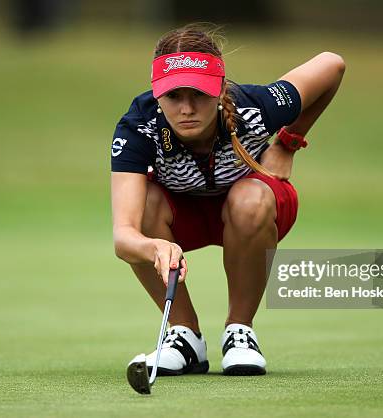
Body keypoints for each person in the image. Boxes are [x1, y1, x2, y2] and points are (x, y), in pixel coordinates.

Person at [111, 24, 345, 376]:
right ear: (157, 94)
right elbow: (124, 235)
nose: (187, 108)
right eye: (174, 96)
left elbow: (332, 64)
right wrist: (153, 248)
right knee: (146, 203)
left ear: (220, 88)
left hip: (252, 210)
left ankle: (240, 331)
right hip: (180, 217)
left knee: (247, 197)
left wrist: (289, 140)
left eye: (199, 95)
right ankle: (184, 335)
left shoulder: (258, 107)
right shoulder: (138, 127)